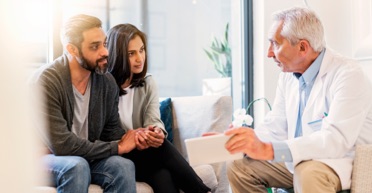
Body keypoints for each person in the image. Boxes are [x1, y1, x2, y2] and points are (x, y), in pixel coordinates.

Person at [224, 7, 372, 193]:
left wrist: (269, 149)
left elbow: (336, 140)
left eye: (275, 44)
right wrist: (246, 141)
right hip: (299, 160)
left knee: (307, 172)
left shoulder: (348, 75)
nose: (269, 53)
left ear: (302, 47)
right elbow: (276, 125)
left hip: (340, 161)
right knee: (240, 167)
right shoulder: (288, 76)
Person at [32, 14, 137, 193]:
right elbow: (62, 144)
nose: (105, 52)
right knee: (76, 166)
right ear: (72, 49)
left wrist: (136, 137)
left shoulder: (106, 81)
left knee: (123, 166)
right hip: (44, 158)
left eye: (104, 44)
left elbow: (111, 133)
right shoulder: (47, 81)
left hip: (85, 156)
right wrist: (117, 146)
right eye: (94, 47)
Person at [106, 23, 211, 193]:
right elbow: (106, 133)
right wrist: (135, 139)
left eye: (141, 50)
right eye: (131, 54)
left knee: (162, 175)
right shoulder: (104, 86)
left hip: (146, 156)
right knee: (160, 149)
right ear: (118, 56)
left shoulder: (147, 83)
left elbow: (153, 119)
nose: (140, 58)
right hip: (118, 155)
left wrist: (156, 132)